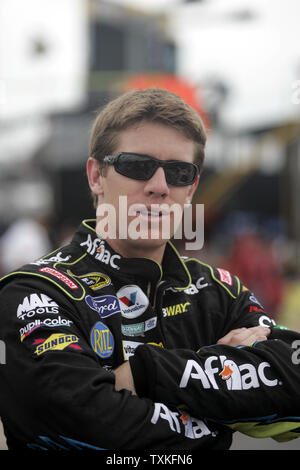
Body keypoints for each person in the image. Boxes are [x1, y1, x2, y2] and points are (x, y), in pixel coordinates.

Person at [0, 88, 299, 451]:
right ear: (96, 176)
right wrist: (218, 408)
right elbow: (84, 421)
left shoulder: (220, 292)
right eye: (137, 166)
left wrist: (146, 373)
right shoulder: (36, 291)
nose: (159, 187)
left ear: (192, 188)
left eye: (178, 172)